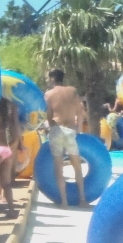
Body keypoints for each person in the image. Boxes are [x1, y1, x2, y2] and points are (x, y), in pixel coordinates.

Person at [44, 68, 87, 207]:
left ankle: (64, 201)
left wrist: (51, 128)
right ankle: (82, 199)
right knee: (77, 166)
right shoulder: (72, 91)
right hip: (70, 130)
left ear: (52, 78)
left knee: (59, 167)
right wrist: (79, 130)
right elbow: (80, 112)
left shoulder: (49, 94)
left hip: (56, 130)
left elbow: (49, 116)